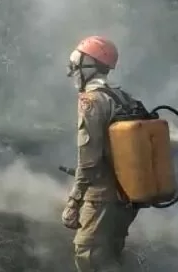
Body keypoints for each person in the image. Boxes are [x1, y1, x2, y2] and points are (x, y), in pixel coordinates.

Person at [61, 35, 140, 271]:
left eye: (76, 61)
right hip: (129, 196)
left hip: (102, 197)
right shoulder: (123, 98)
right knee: (111, 254)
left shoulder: (91, 101)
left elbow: (89, 160)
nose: (72, 69)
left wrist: (74, 201)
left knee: (90, 257)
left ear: (90, 65)